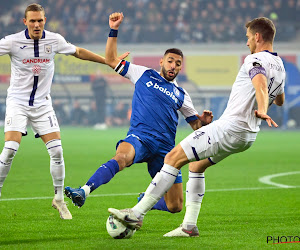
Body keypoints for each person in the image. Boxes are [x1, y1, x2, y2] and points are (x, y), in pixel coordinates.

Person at [108, 17, 286, 237]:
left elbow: (259, 82)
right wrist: (266, 104)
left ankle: (136, 213)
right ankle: (189, 227)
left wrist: (261, 107)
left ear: (257, 37)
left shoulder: (254, 59)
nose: (247, 42)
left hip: (231, 128)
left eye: (248, 37)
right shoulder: (280, 66)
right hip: (248, 136)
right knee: (196, 166)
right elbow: (280, 99)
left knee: (172, 158)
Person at [64, 12, 213, 215]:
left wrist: (203, 122)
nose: (173, 66)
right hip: (140, 137)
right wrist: (114, 29)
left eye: (178, 64)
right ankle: (84, 190)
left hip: (165, 150)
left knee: (175, 206)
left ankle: (145, 201)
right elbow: (110, 59)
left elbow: (195, 125)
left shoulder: (181, 94)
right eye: (170, 61)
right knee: (122, 157)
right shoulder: (143, 73)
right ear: (161, 61)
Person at [0, 3, 128, 220]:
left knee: (57, 151)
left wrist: (107, 61)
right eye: (32, 20)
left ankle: (58, 199)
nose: (37, 24)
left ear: (45, 20)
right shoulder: (12, 42)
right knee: (11, 148)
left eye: (40, 20)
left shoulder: (54, 39)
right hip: (18, 103)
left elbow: (78, 51)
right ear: (25, 22)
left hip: (43, 105)